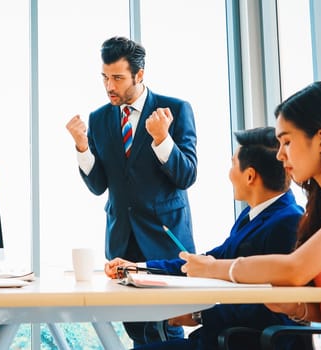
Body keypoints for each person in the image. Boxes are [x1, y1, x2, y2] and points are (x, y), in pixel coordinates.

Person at [180, 81, 321, 349]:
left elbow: (295, 268)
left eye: (286, 142)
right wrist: (297, 307)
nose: (280, 155)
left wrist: (215, 268)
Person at [105, 126, 306, 350]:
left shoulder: (288, 222)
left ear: (250, 176)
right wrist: (139, 268)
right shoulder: (254, 215)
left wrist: (199, 315)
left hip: (238, 344)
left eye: (233, 164)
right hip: (218, 339)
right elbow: (207, 261)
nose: (229, 173)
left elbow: (276, 308)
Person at [65, 36, 198, 345]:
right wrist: (82, 146)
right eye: (104, 77)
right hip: (122, 243)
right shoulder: (99, 119)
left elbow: (187, 175)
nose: (109, 86)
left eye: (117, 78)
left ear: (139, 75)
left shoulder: (175, 110)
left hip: (164, 243)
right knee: (136, 331)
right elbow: (98, 185)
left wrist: (162, 139)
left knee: (167, 329)